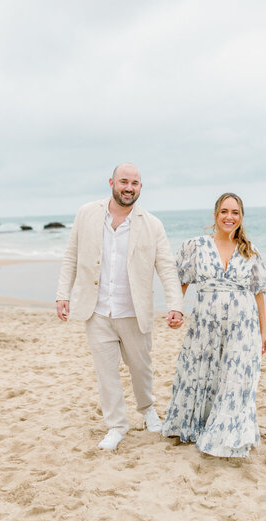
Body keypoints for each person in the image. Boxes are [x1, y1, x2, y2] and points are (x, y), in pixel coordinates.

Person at [56, 163, 184, 451]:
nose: (129, 187)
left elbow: (166, 267)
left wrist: (176, 304)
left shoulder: (152, 225)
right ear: (112, 182)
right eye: (124, 181)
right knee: (107, 373)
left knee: (141, 368)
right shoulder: (87, 214)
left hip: (134, 312)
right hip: (97, 311)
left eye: (135, 183)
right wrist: (62, 295)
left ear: (140, 187)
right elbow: (71, 257)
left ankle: (148, 410)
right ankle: (116, 426)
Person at [161, 192, 266, 457]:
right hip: (205, 326)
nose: (229, 217)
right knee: (203, 375)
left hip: (242, 328)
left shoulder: (250, 251)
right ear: (215, 214)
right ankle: (200, 426)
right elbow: (182, 281)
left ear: (241, 217)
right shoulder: (196, 246)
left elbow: (258, 292)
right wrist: (175, 310)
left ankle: (228, 435)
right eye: (225, 211)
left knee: (235, 381)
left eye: (235, 212)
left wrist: (263, 331)